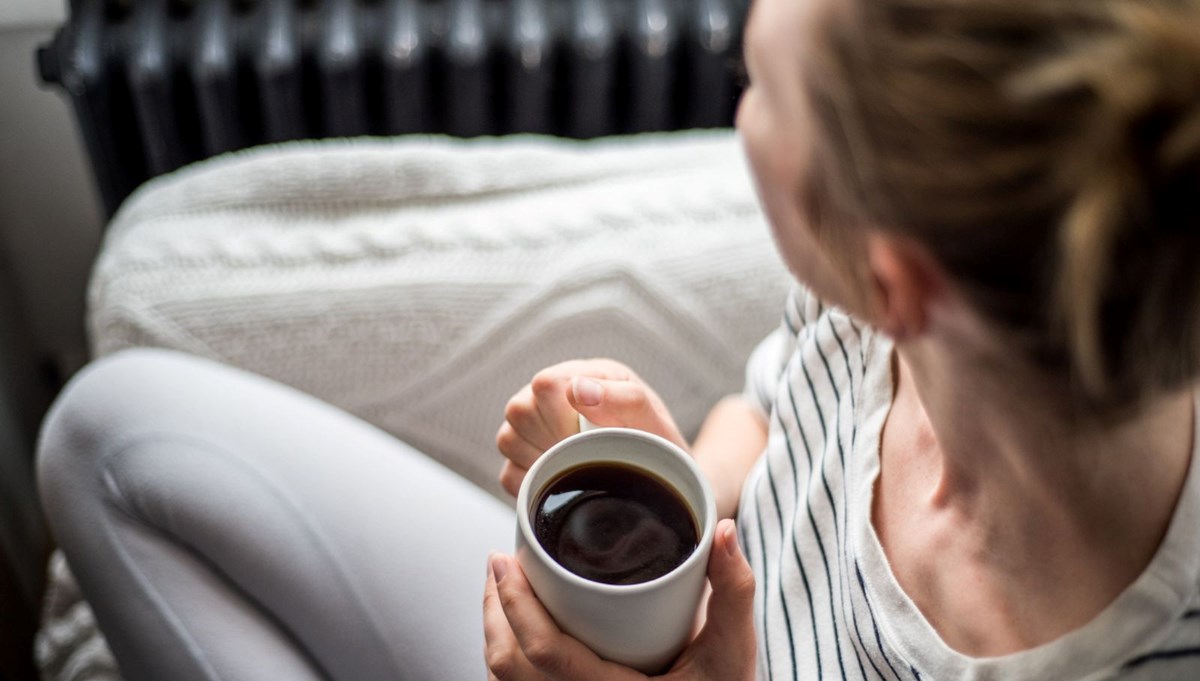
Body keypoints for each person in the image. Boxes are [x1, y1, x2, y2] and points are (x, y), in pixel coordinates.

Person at [36, 1, 1200, 680]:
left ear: (897, 273)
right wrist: (691, 491)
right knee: (105, 435)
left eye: (755, 89)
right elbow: (769, 408)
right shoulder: (914, 314)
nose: (737, 113)